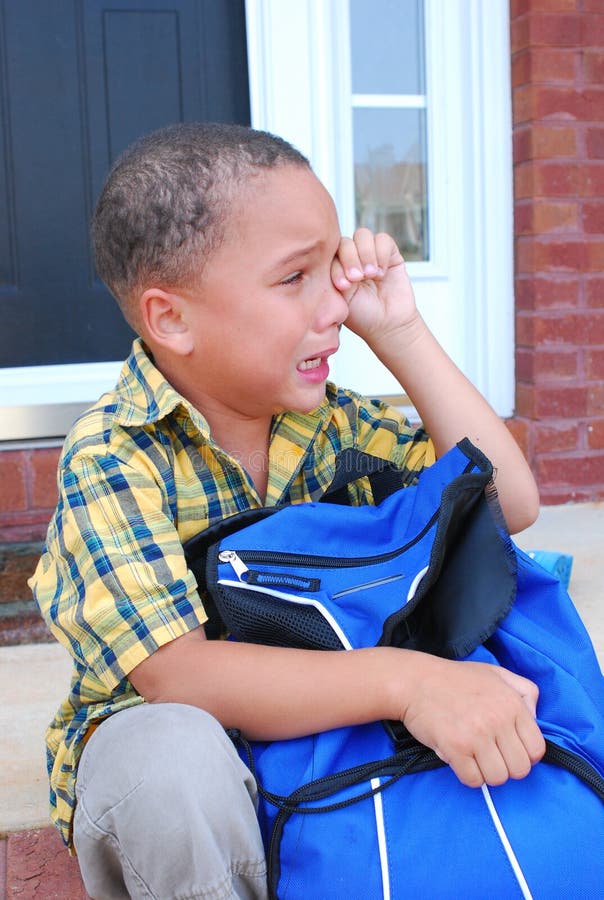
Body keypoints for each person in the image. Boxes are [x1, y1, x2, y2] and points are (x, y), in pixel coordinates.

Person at [30, 122, 543, 899]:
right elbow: (179, 676)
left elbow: (513, 502)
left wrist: (401, 334)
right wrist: (410, 682)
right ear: (171, 319)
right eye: (293, 277)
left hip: (323, 750)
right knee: (171, 758)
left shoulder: (339, 424)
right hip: (184, 774)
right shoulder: (113, 455)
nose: (335, 301)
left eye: (332, 266)